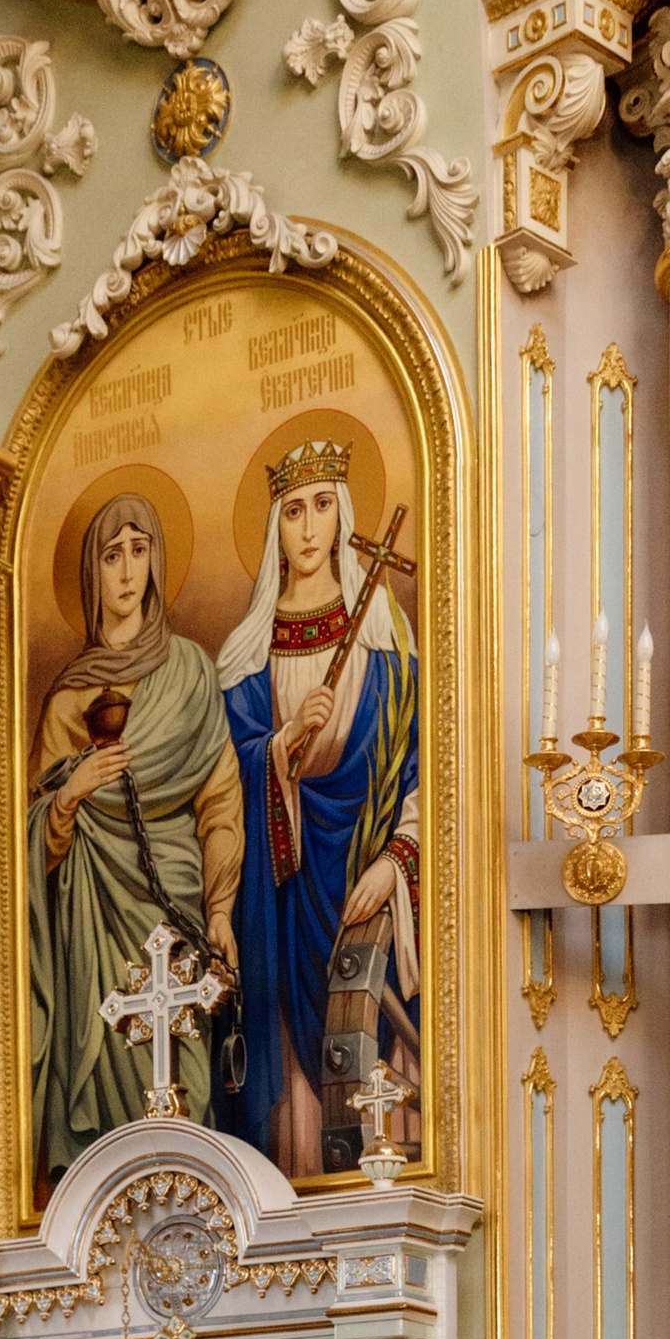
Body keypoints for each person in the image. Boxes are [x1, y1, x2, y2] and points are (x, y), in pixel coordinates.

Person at [219, 435, 419, 1177]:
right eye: (293, 510)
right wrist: (277, 748)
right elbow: (219, 789)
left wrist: (395, 863)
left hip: (362, 890)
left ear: (344, 518)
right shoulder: (245, 658)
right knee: (296, 1117)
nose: (308, 526)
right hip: (282, 903)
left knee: (369, 1049)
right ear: (276, 526)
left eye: (323, 506)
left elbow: (422, 773)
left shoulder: (388, 649)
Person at [28, 488, 240, 1181]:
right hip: (95, 925)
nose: (126, 572)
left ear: (157, 561)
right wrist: (73, 795)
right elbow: (37, 851)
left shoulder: (191, 674)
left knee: (192, 1085)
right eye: (111, 556)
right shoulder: (67, 702)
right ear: (93, 573)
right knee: (107, 1069)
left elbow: (220, 803)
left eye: (139, 552)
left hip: (176, 907)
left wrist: (219, 910)